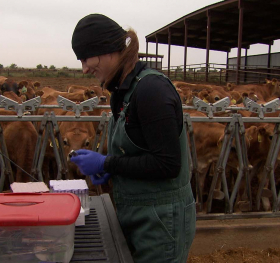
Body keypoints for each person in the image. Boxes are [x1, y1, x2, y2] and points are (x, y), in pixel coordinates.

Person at [69, 14, 196, 263]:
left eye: (86, 58)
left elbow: (168, 164)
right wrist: (114, 169)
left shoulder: (151, 90)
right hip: (142, 216)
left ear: (106, 50)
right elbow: (141, 151)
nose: (84, 69)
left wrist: (107, 164)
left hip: (161, 222)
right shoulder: (124, 90)